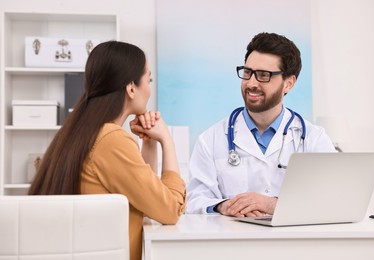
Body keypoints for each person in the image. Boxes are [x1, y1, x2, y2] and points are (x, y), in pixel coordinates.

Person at [28, 41, 186, 260]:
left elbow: (147, 199)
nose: (149, 89)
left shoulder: (82, 131)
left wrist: (150, 142)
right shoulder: (112, 140)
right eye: (148, 79)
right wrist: (167, 140)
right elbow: (171, 210)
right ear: (131, 88)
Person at [186, 32, 335, 216]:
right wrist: (223, 206)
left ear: (288, 83)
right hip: (233, 243)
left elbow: (332, 200)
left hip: (295, 244)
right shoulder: (211, 139)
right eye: (248, 72)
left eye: (263, 75)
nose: (251, 83)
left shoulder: (313, 139)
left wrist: (271, 205)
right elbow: (193, 202)